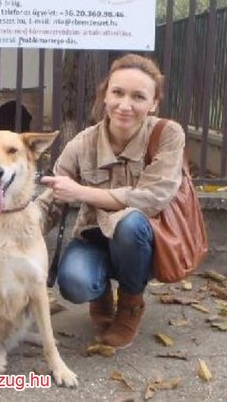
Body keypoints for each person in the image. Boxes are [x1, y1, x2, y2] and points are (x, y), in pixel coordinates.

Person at [37, 53, 185, 349]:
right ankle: (99, 291)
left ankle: (131, 303)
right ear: (105, 95)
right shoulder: (82, 144)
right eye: (117, 92)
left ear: (153, 103)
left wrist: (81, 192)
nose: (125, 105)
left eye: (138, 96)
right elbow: (52, 199)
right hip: (93, 237)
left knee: (129, 223)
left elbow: (152, 198)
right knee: (75, 283)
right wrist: (14, 229)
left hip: (144, 242)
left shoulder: (168, 134)